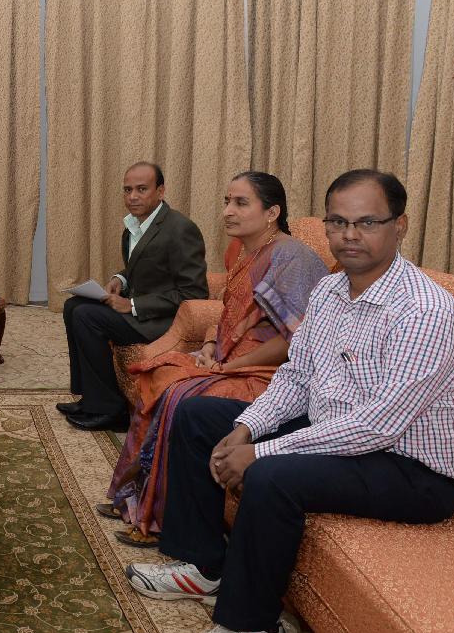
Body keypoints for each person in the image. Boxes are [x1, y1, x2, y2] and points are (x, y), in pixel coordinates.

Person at [125, 170, 454, 633]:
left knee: (272, 476)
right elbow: (297, 375)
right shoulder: (331, 290)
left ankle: (255, 632)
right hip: (341, 429)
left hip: (412, 468)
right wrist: (247, 427)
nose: (350, 235)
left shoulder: (424, 311)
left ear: (399, 226)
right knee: (200, 414)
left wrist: (262, 452)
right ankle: (202, 564)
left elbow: (378, 425)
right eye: (338, 222)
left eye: (367, 222)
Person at [103, 172, 328, 547]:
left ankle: (159, 516)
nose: (227, 211)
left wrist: (230, 367)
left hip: (268, 374)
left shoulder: (291, 258)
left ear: (272, 212)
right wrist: (210, 346)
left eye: (241, 203)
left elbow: (295, 340)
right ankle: (138, 499)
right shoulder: (244, 251)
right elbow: (227, 312)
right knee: (158, 374)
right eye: (227, 201)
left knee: (178, 395)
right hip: (226, 359)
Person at [61, 162, 209, 432]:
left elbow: (194, 292)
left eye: (142, 189)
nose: (132, 197)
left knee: (86, 315)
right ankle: (90, 398)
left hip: (161, 321)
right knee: (73, 306)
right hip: (140, 311)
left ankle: (111, 411)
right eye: (127, 190)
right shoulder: (135, 224)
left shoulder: (180, 229)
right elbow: (142, 267)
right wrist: (121, 279)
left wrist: (132, 305)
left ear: (160, 191)